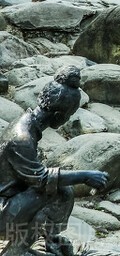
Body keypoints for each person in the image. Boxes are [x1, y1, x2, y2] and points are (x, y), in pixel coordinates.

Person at [0, 66, 108, 256]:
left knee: (58, 189)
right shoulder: (22, 138)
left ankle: (46, 240)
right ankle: (17, 251)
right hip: (3, 210)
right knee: (59, 191)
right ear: (59, 116)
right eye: (68, 116)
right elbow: (41, 179)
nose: (66, 120)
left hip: (10, 200)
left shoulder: (25, 124)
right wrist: (85, 176)